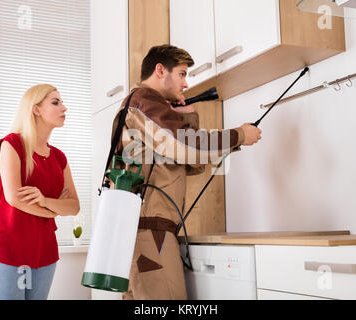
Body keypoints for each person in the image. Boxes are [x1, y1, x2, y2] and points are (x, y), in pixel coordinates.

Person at [105, 44, 262, 300]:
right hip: (150, 233)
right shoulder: (143, 101)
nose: (186, 83)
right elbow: (185, 145)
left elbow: (190, 164)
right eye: (181, 73)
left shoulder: (143, 105)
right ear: (159, 70)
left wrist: (186, 117)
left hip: (143, 230)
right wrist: (240, 135)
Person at [0, 84, 80, 300]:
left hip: (44, 251)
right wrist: (54, 209)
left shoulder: (59, 157)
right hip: (8, 248)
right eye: (55, 102)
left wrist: (43, 200)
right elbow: (15, 199)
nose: (64, 108)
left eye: (62, 102)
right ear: (35, 109)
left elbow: (74, 206)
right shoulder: (12, 144)